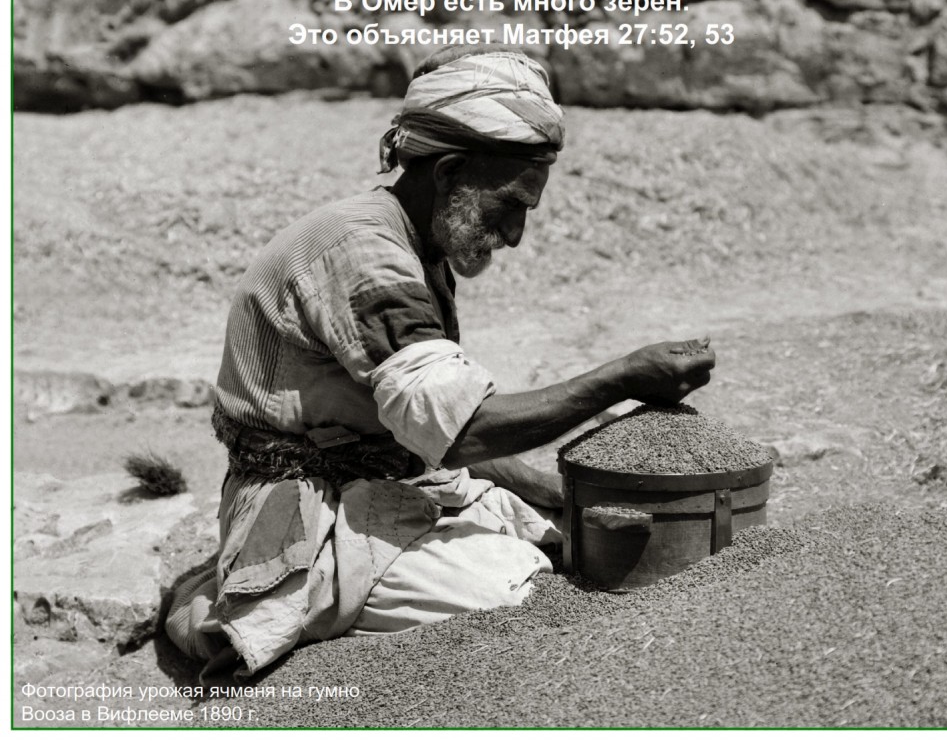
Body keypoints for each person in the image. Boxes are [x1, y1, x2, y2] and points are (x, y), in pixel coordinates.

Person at [166, 46, 715, 681]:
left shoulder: (412, 243)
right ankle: (237, 597)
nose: (514, 235)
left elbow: (426, 425)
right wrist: (620, 378)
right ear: (451, 171)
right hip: (307, 503)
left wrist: (548, 491)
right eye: (510, 205)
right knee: (516, 587)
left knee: (572, 540)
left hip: (391, 479)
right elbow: (461, 429)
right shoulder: (363, 253)